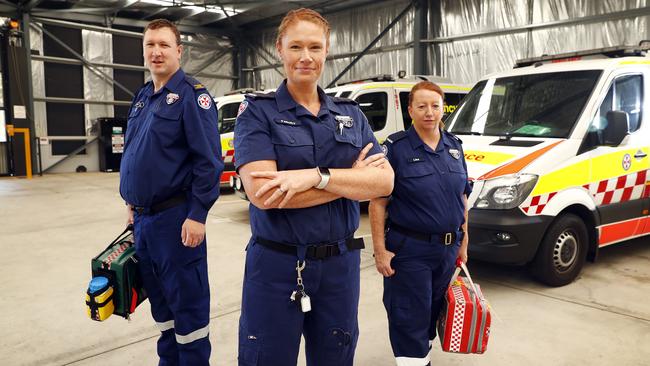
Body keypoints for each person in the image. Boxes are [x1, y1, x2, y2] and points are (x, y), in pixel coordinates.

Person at [234, 8, 394, 366]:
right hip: (277, 264)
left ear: (326, 52)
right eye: (296, 47)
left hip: (340, 267)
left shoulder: (351, 114)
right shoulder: (257, 113)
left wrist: (315, 176)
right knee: (267, 357)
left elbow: (384, 181)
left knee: (336, 357)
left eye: (315, 47)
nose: (305, 57)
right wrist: (351, 180)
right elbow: (266, 195)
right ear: (280, 49)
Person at [119, 18, 223, 366]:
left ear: (179, 51)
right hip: (144, 223)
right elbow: (135, 151)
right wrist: (132, 204)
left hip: (176, 222)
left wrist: (198, 214)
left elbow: (209, 162)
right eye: (150, 45)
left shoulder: (193, 97)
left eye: (164, 44)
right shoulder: (142, 97)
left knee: (188, 311)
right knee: (162, 310)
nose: (156, 51)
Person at [369, 81, 471, 366]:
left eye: (435, 106)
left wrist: (464, 242)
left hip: (447, 251)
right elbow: (378, 202)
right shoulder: (396, 148)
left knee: (432, 313)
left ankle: (420, 356)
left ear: (443, 110)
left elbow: (462, 196)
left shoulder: (454, 147)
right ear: (410, 109)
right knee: (408, 315)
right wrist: (380, 250)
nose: (429, 112)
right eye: (422, 106)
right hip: (409, 250)